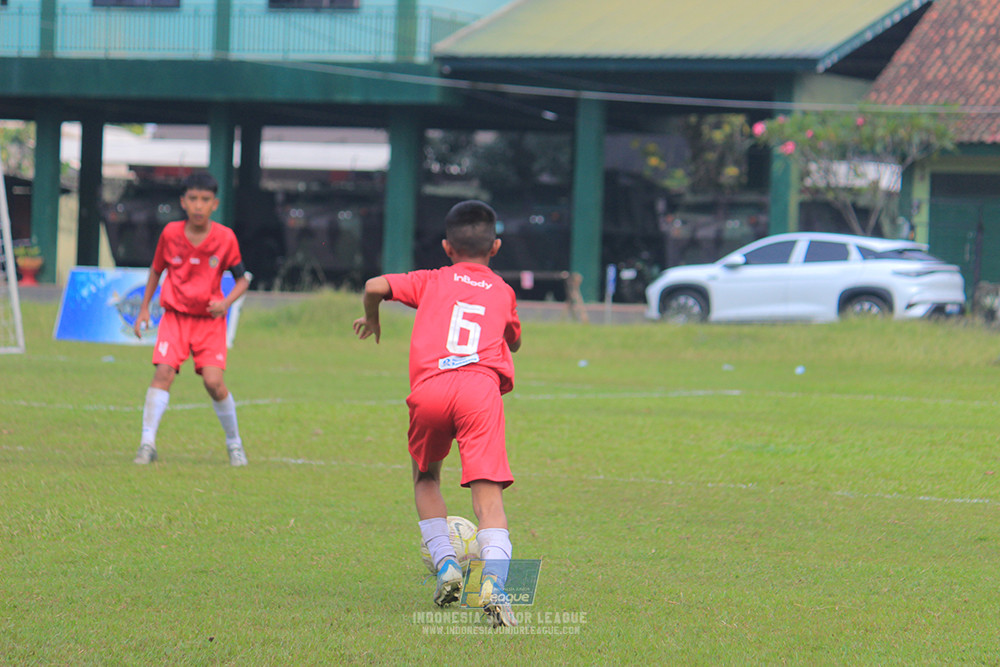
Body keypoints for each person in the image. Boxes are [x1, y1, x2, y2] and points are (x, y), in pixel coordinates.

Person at [353, 200, 522, 628]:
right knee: (488, 497)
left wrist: (373, 319)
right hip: (479, 391)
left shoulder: (431, 280)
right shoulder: (503, 291)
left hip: (429, 390)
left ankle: (447, 565)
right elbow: (513, 341)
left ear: (447, 247)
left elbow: (374, 284)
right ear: (496, 247)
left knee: (426, 478)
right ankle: (495, 586)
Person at [132, 171, 251, 467]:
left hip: (208, 323)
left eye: (205, 200)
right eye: (193, 199)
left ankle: (234, 443)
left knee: (214, 382)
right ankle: (147, 444)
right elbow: (156, 270)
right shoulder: (170, 234)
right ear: (183, 202)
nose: (199, 205)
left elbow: (242, 280)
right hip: (175, 318)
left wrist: (225, 303)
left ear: (215, 204)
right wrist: (145, 308)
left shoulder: (225, 238)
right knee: (163, 373)